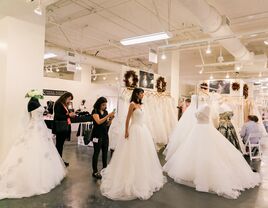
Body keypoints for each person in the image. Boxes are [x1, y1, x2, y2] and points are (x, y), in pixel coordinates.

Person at [164, 105, 260, 199]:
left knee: (207, 152)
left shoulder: (206, 106)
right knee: (194, 153)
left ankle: (204, 176)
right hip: (196, 131)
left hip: (205, 131)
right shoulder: (201, 107)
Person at [100, 88, 166, 200]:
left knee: (142, 154)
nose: (143, 95)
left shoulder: (141, 105)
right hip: (134, 129)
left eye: (143, 93)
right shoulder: (132, 104)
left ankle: (142, 176)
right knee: (131, 154)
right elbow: (128, 119)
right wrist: (126, 131)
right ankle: (128, 178)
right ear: (137, 94)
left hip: (142, 130)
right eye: (141, 93)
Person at [0, 93, 66, 200]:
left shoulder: (36, 102)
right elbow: (32, 116)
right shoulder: (31, 103)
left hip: (41, 127)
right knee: (33, 149)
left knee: (45, 150)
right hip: (35, 127)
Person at [91, 97, 115, 179]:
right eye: (103, 105)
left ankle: (104, 169)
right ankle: (95, 171)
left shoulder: (105, 112)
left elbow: (107, 124)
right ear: (99, 104)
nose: (105, 106)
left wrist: (111, 120)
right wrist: (108, 115)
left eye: (105, 105)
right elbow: (98, 122)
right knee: (96, 153)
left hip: (105, 134)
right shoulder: (95, 111)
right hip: (97, 135)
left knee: (105, 153)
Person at [53, 92, 75, 167]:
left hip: (64, 127)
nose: (69, 101)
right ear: (65, 97)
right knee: (59, 145)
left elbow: (65, 115)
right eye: (69, 99)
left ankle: (59, 160)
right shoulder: (58, 104)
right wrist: (69, 115)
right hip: (60, 127)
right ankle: (58, 161)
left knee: (60, 145)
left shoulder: (63, 104)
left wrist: (70, 114)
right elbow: (58, 116)